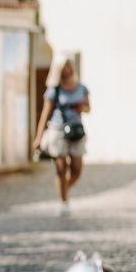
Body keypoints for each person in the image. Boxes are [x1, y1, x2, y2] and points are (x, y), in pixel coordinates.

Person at [32, 56, 90, 216]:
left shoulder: (81, 88)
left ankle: (64, 189)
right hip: (57, 130)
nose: (70, 68)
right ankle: (64, 201)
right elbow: (45, 113)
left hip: (76, 130)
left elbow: (88, 108)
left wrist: (81, 107)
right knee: (61, 167)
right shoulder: (54, 90)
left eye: (71, 65)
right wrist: (38, 138)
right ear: (59, 69)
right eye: (66, 66)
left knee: (77, 169)